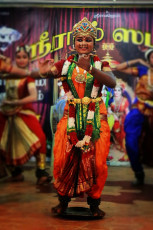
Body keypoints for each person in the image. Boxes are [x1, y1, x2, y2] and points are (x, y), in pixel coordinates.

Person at [0, 18, 116, 218]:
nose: (83, 43)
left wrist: (91, 69)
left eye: (87, 40)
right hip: (70, 116)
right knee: (62, 160)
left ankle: (94, 204)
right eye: (79, 39)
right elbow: (36, 74)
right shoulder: (65, 64)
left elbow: (112, 82)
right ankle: (63, 202)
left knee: (97, 164)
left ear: (94, 43)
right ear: (73, 43)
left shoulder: (101, 64)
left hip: (96, 118)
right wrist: (42, 72)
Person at [0, 44, 52, 185]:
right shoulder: (9, 75)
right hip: (6, 113)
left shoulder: (28, 77)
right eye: (18, 57)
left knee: (40, 139)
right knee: (7, 143)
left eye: (24, 57)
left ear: (29, 59)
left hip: (23, 111)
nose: (21, 60)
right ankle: (15, 172)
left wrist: (16, 102)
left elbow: (33, 96)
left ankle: (41, 172)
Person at [114, 49, 153, 185]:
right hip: (139, 108)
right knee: (130, 141)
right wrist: (137, 61)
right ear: (149, 60)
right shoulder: (142, 70)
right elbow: (118, 68)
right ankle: (138, 171)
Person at [108, 79, 129, 161]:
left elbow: (127, 111)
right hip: (115, 120)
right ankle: (119, 147)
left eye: (118, 90)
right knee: (115, 132)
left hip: (124, 121)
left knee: (124, 136)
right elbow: (109, 111)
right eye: (115, 90)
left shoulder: (125, 101)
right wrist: (113, 115)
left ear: (121, 91)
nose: (116, 92)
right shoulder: (112, 101)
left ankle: (126, 152)